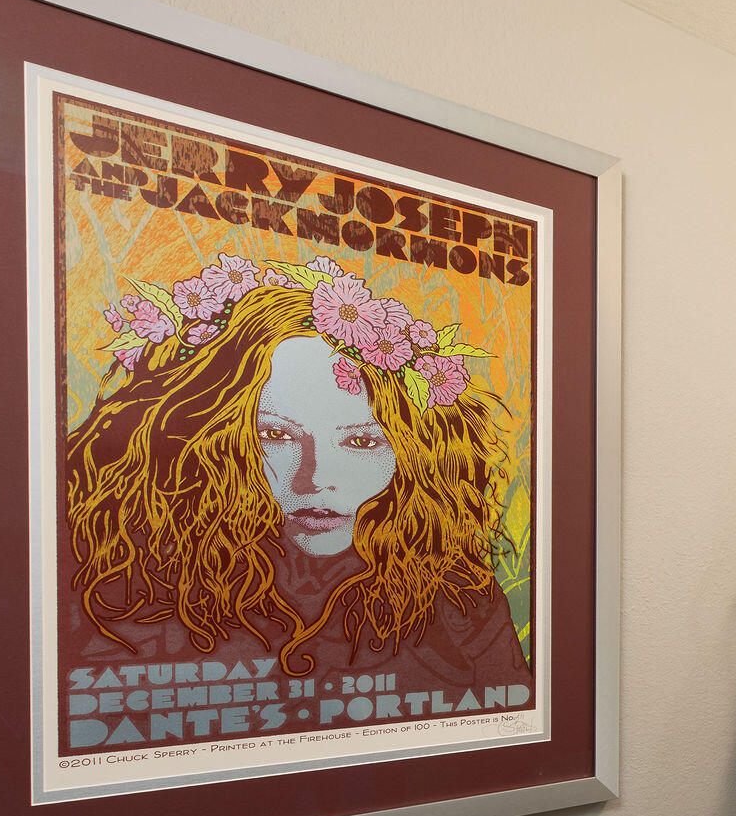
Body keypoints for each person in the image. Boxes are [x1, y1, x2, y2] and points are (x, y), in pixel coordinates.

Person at [62, 256, 531, 718]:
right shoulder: (119, 579)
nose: (315, 479)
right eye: (276, 435)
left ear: (413, 453)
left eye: (361, 440)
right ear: (208, 436)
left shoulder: (455, 595)